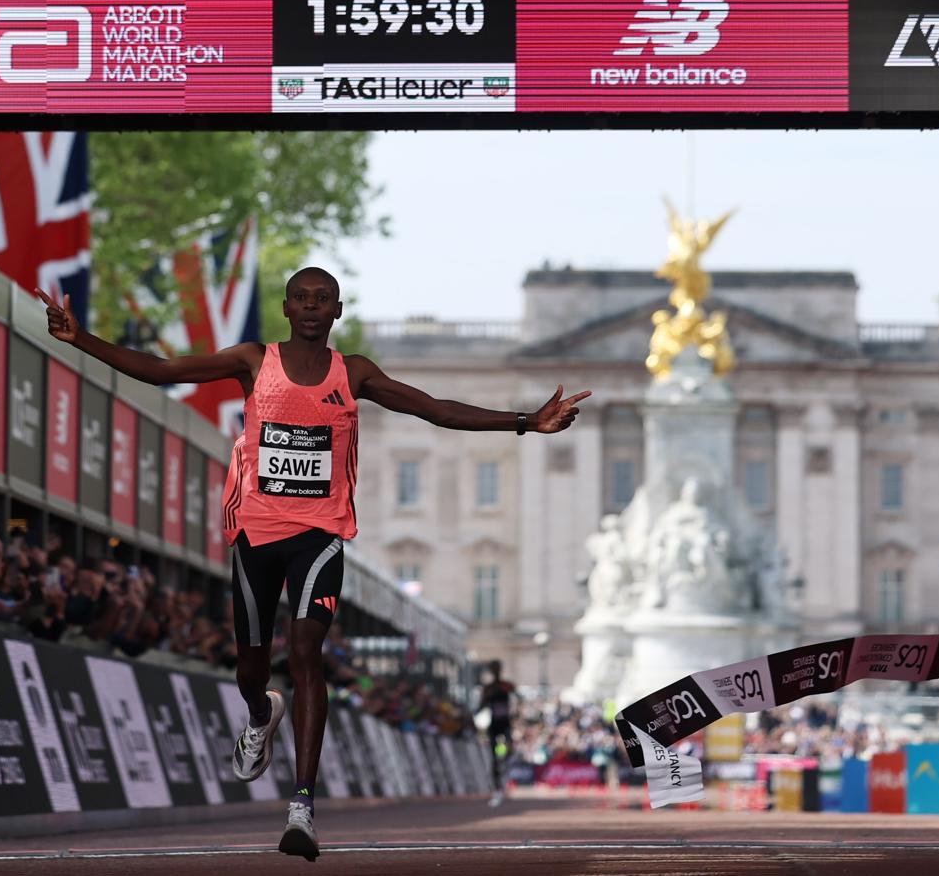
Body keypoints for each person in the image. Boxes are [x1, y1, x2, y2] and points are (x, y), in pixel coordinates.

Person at [40, 267, 588, 861]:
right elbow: (164, 371)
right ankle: (259, 712)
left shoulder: (353, 373)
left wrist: (525, 422)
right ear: (286, 307)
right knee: (251, 666)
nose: (310, 307)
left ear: (336, 311)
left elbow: (433, 409)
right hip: (255, 533)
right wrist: (81, 338)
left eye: (321, 299)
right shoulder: (254, 360)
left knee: (306, 653)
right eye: (301, 298)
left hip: (321, 535)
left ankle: (302, 804)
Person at [479, 660, 517, 804]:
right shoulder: (488, 688)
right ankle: (497, 788)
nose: (496, 670)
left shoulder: (507, 685)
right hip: (494, 725)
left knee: (508, 750)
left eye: (497, 668)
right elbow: (481, 706)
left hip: (505, 724)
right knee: (494, 758)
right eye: (493, 668)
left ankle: (505, 765)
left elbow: (516, 696)